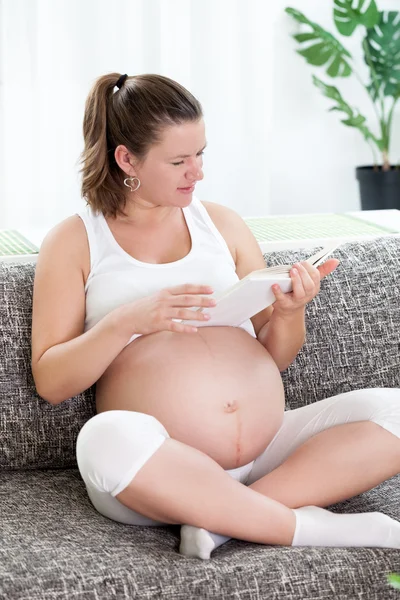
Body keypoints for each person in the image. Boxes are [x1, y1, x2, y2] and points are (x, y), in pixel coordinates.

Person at [31, 72, 400, 560]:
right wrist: (129, 321)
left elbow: (274, 355)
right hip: (162, 466)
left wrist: (290, 313)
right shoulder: (76, 240)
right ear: (127, 159)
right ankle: (310, 527)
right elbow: (51, 381)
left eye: (201, 154)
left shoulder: (222, 224)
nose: (197, 172)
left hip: (268, 452)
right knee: (103, 439)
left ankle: (225, 520)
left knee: (395, 408)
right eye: (179, 160)